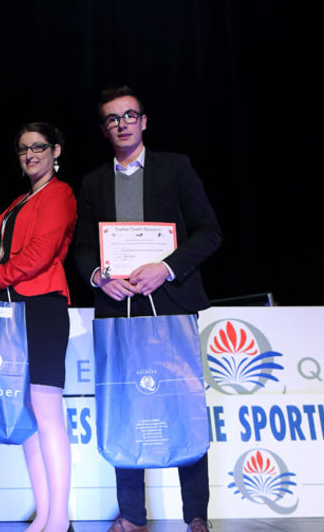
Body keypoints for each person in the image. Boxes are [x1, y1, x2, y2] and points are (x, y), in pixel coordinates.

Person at [71, 86, 221, 532]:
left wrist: (167, 268)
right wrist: (100, 276)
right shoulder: (94, 182)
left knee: (182, 407)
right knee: (125, 409)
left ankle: (195, 515)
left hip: (173, 305)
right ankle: (132, 516)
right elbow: (81, 249)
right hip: (120, 311)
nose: (122, 124)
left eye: (129, 115)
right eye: (113, 119)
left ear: (144, 121)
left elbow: (209, 232)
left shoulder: (175, 167)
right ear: (104, 128)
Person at [0, 122, 78, 532]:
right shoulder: (17, 202)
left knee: (47, 413)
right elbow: (7, 249)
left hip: (42, 306)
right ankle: (43, 514)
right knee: (27, 415)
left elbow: (40, 254)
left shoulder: (60, 194)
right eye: (24, 149)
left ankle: (60, 518)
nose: (30, 155)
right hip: (13, 307)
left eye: (39, 147)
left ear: (56, 151)